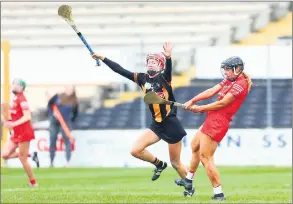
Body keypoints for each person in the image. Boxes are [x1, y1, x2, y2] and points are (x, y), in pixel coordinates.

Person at [92, 42, 188, 182]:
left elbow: (168, 69)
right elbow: (120, 70)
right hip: (156, 125)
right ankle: (159, 164)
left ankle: (189, 185)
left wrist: (168, 58)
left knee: (176, 163)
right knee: (135, 150)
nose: (150, 63)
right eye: (149, 61)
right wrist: (103, 58)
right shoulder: (142, 78)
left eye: (154, 61)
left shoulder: (164, 78)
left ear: (160, 65)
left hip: (171, 124)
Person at [174, 56, 253, 200]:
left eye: (228, 69)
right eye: (225, 69)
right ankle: (188, 180)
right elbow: (212, 91)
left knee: (206, 158)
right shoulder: (230, 80)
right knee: (195, 146)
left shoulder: (240, 84)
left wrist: (201, 108)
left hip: (218, 121)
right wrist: (193, 100)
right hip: (212, 117)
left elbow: (223, 103)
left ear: (238, 69)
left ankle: (219, 194)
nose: (226, 72)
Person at [1, 78, 39, 187]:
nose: (14, 86)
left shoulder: (22, 99)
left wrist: (13, 124)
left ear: (22, 88)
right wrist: (8, 121)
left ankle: (33, 183)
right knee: (4, 155)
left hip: (24, 132)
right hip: (16, 133)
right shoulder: (15, 99)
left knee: (22, 159)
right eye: (14, 84)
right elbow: (15, 116)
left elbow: (27, 116)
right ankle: (31, 155)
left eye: (18, 85)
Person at [46, 85, 78, 167]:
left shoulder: (74, 101)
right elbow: (49, 105)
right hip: (54, 122)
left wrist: (71, 121)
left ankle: (68, 162)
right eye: (67, 88)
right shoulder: (57, 96)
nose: (68, 90)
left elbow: (75, 114)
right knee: (52, 141)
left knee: (67, 142)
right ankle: (51, 162)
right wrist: (51, 114)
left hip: (65, 123)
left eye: (70, 89)